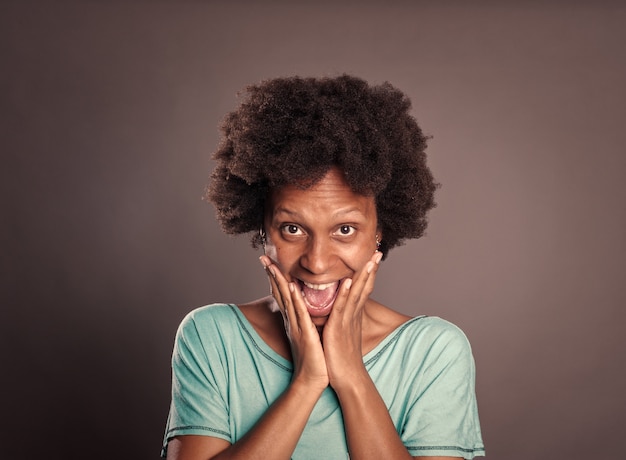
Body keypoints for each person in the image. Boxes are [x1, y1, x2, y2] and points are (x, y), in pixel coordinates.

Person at [161, 75, 485, 459]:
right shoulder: (212, 336)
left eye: (345, 229)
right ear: (262, 229)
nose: (316, 262)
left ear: (379, 233)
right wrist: (307, 381)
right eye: (293, 228)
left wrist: (350, 375)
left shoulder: (433, 351)